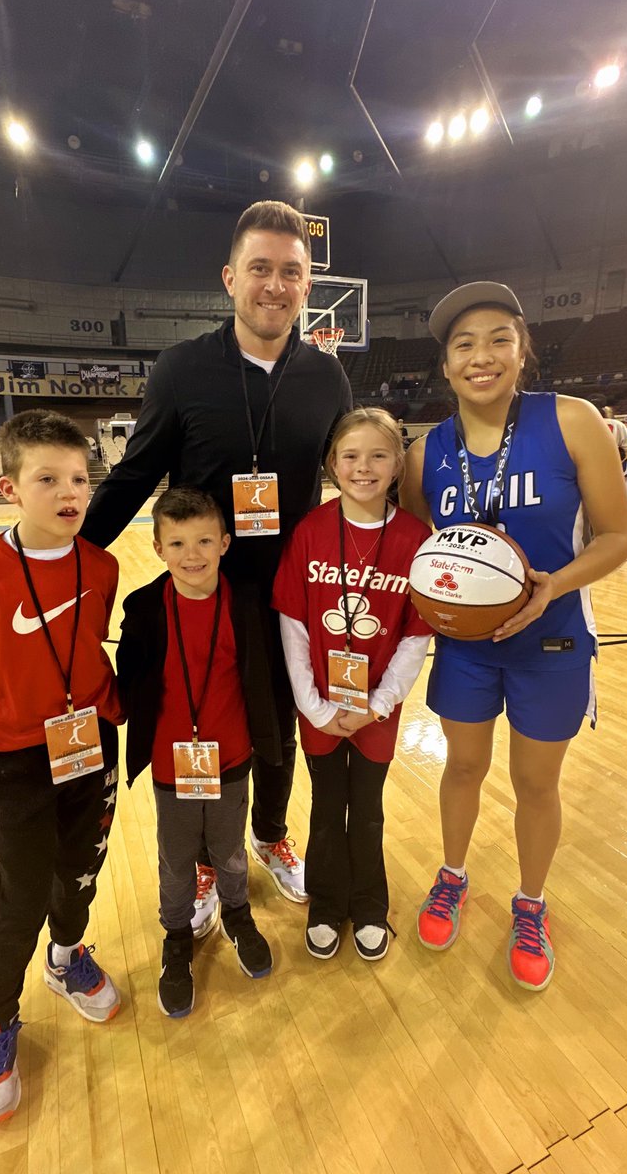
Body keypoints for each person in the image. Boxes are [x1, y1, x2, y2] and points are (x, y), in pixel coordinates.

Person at [80, 200, 353, 925]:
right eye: (260, 269)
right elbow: (134, 474)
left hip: (291, 595)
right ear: (231, 278)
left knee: (281, 729)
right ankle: (205, 863)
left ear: (306, 286)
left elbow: (363, 479)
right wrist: (69, 560)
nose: (275, 285)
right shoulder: (182, 369)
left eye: (291, 272)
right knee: (201, 725)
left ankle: (268, 835)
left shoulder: (327, 379)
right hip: (202, 593)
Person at [401, 281, 627, 992]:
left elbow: (618, 536)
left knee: (536, 782)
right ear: (445, 366)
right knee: (463, 768)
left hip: (553, 638)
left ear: (522, 350)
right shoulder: (423, 454)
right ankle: (453, 876)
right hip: (469, 647)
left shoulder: (572, 421)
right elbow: (417, 548)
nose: (482, 356)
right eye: (464, 345)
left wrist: (552, 587)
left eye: (499, 338)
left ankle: (530, 904)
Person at [0, 410, 125, 1124]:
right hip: (17, 762)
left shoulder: (100, 565)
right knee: (19, 896)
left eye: (79, 478)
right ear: (11, 487)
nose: (70, 491)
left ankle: (68, 957)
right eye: (48, 479)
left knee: (80, 871)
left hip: (94, 745)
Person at [273, 409, 432, 961]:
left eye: (378, 456)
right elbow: (292, 625)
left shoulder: (416, 537)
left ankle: (369, 904)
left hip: (376, 711)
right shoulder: (311, 530)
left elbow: (416, 637)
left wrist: (379, 704)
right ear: (332, 465)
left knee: (366, 811)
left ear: (396, 468)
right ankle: (325, 903)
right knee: (324, 806)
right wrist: (314, 708)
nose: (363, 467)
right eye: (350, 456)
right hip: (319, 705)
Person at [117, 487, 278, 1016]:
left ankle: (237, 913)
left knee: (230, 849)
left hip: (231, 759)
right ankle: (176, 936)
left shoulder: (248, 601)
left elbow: (264, 677)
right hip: (171, 764)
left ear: (226, 543)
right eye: (179, 542)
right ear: (158, 547)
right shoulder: (142, 609)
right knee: (176, 858)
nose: (193, 554)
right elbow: (129, 683)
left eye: (205, 540)